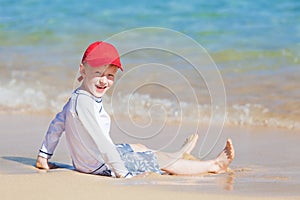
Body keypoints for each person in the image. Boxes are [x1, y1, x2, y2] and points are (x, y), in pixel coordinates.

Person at [36, 41, 234, 178]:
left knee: (139, 147)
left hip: (92, 161)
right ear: (83, 70)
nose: (104, 80)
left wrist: (44, 155)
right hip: (102, 165)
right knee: (158, 160)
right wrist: (122, 172)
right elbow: (101, 141)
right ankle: (214, 165)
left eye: (110, 75)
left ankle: (178, 153)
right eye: (98, 73)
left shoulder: (78, 97)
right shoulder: (85, 104)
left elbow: (57, 125)